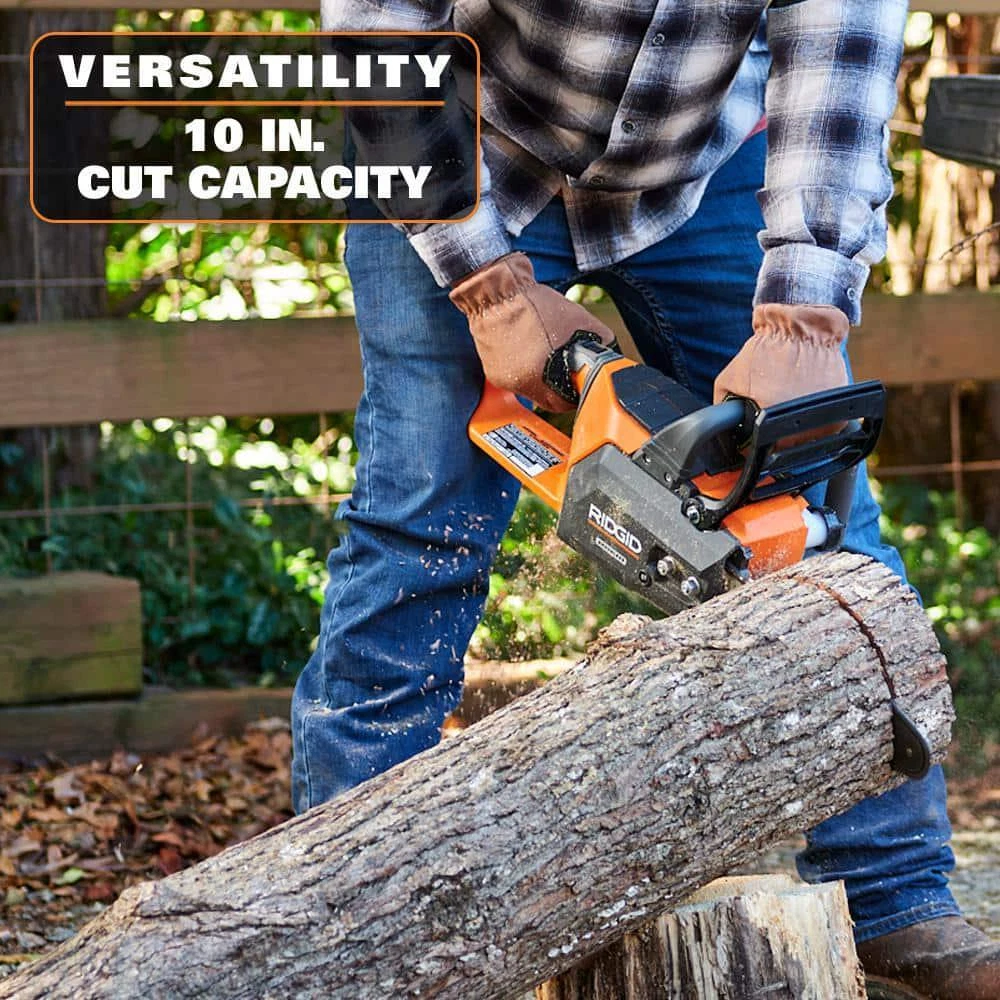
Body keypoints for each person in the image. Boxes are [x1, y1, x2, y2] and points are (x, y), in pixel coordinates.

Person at [292, 2, 1000, 996]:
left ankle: (894, 900)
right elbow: (381, 31)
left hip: (702, 165)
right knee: (417, 527)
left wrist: (802, 319)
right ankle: (346, 925)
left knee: (813, 523)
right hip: (468, 144)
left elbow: (841, 53)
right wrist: (489, 290)